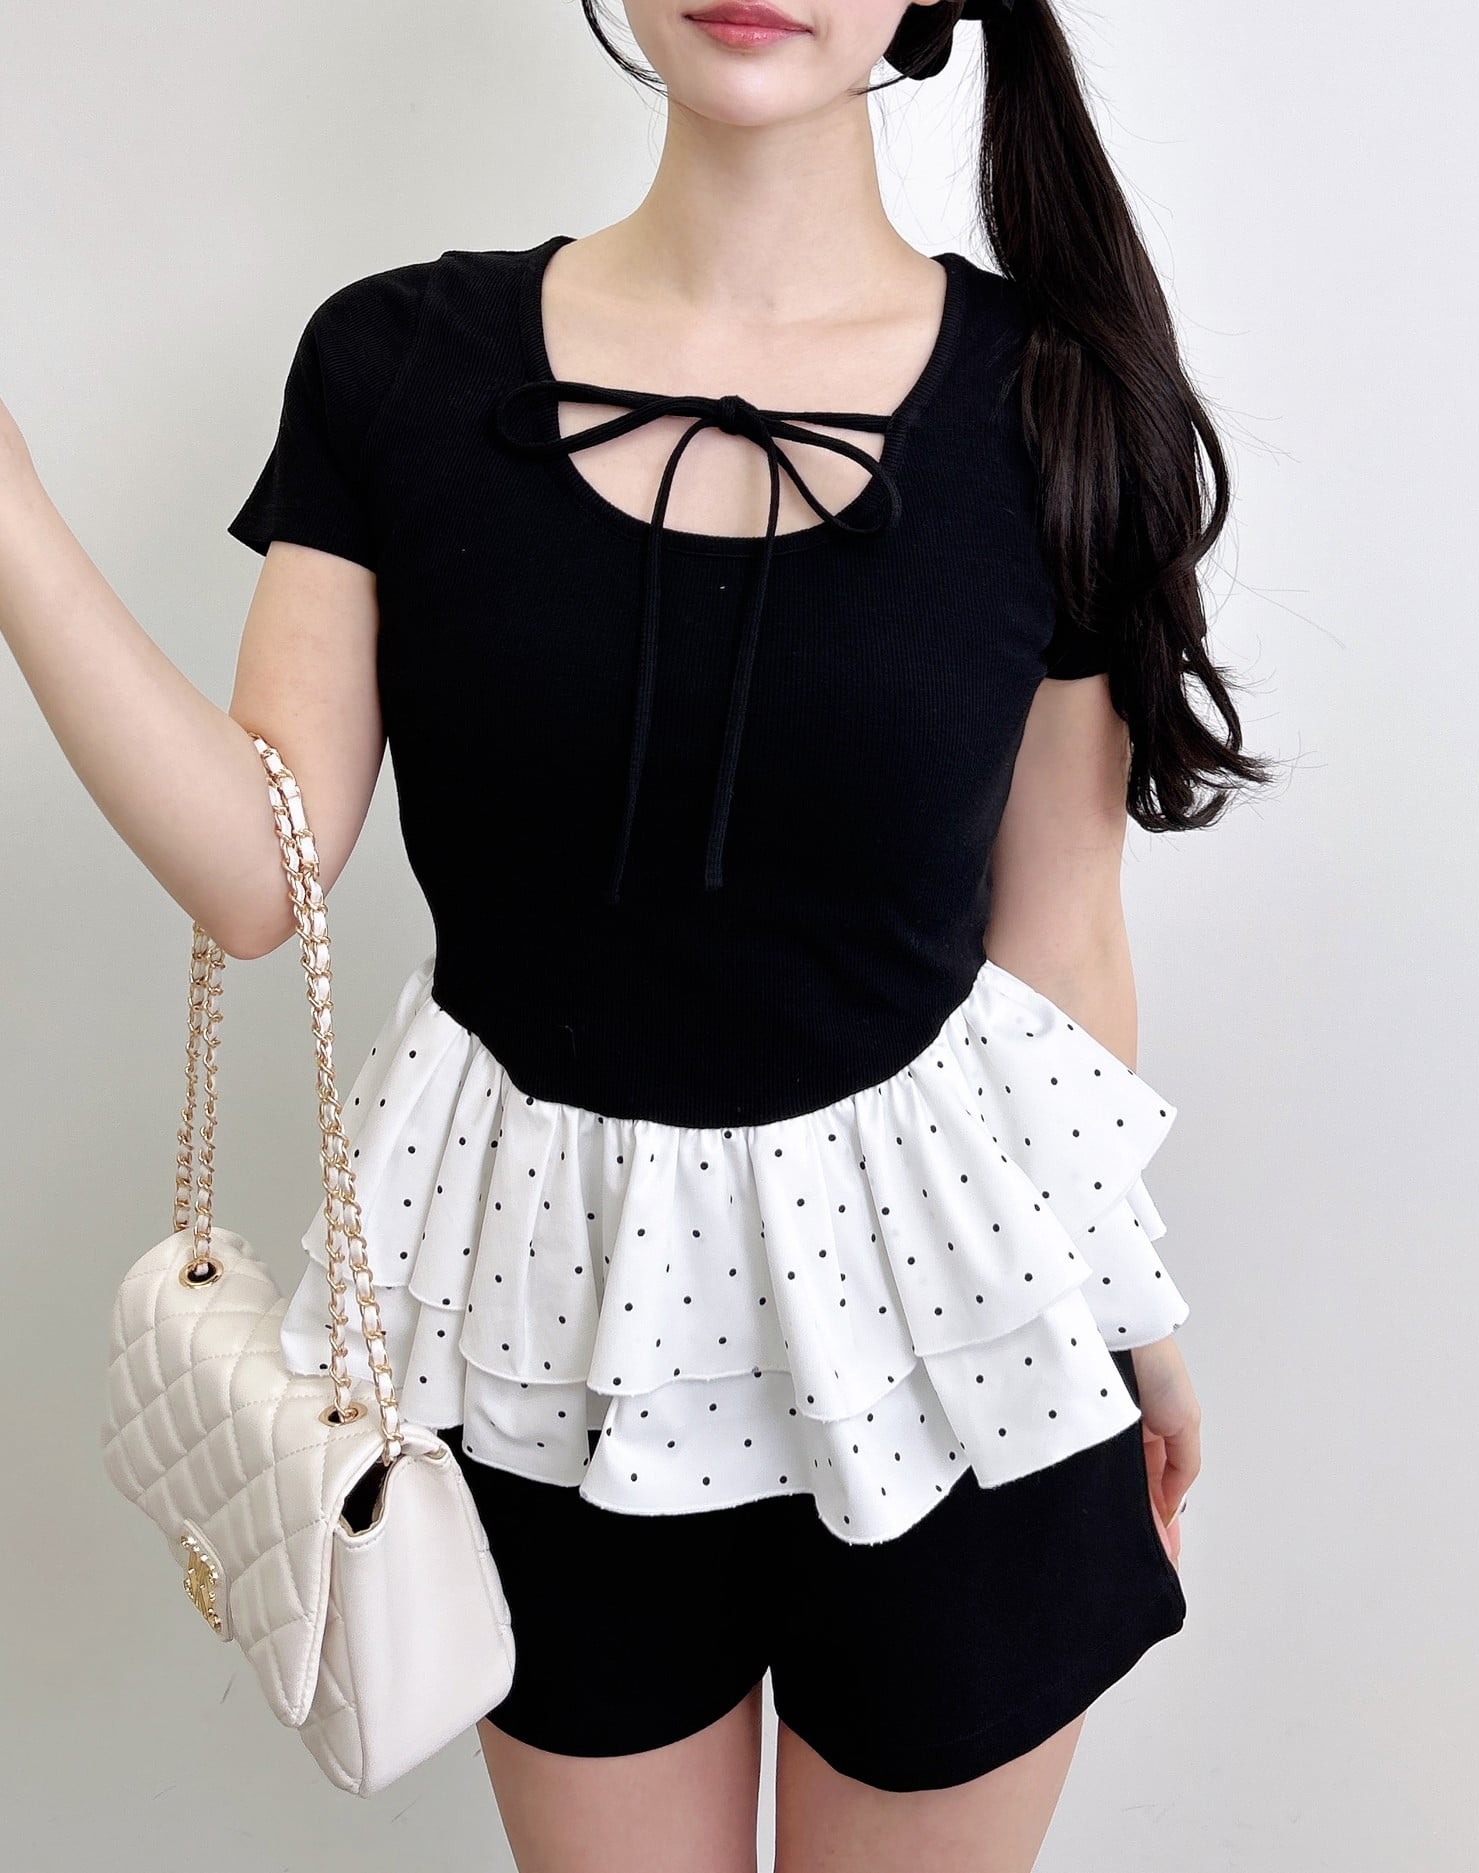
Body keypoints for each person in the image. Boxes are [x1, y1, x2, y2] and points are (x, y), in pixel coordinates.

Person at [0, 3, 1276, 1868]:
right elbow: (263, 873)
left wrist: (1125, 1315)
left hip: (948, 1363)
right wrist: (10, 510)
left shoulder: (1056, 403)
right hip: (549, 1346)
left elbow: (1061, 939)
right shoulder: (395, 364)